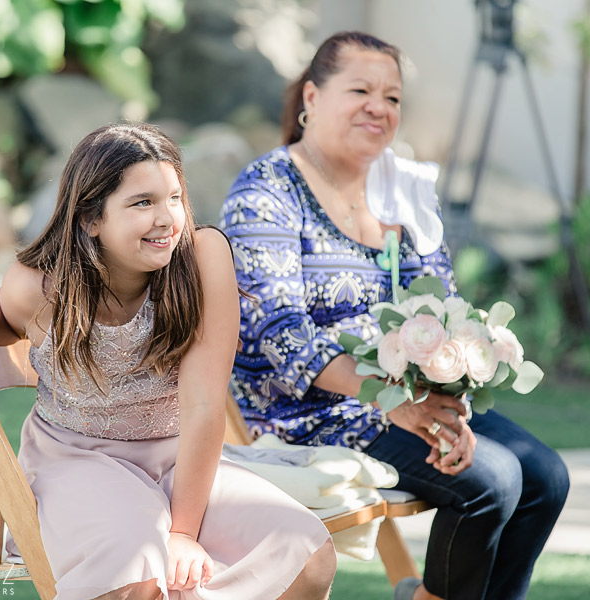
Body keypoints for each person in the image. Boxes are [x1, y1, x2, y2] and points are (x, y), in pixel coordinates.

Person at [219, 31, 570, 600]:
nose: (379, 107)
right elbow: (281, 337)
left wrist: (451, 400)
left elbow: (442, 307)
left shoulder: (400, 190)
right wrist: (400, 404)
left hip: (403, 401)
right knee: (493, 481)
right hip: (310, 411)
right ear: (311, 96)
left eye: (393, 97)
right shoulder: (266, 192)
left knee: (545, 477)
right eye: (360, 89)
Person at [0, 123, 335, 600]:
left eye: (174, 198)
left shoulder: (204, 258)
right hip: (77, 458)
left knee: (305, 550)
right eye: (143, 203)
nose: (167, 218)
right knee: (134, 566)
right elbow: (5, 305)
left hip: (179, 458)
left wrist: (183, 533)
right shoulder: (43, 287)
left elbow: (205, 405)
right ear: (90, 218)